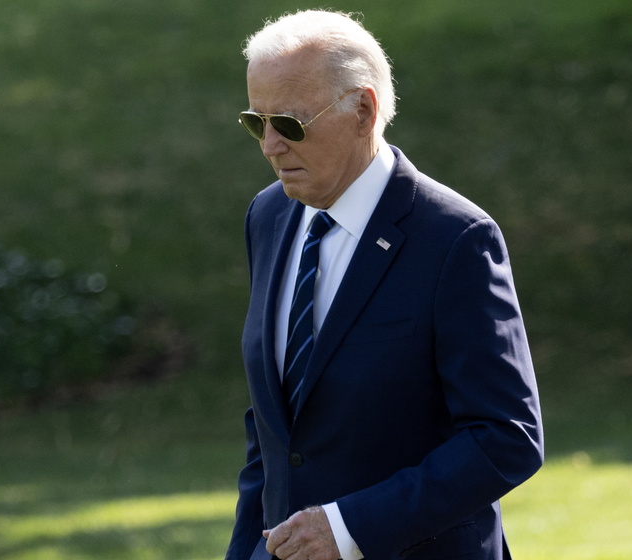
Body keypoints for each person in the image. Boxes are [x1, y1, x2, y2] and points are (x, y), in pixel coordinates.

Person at [227, 10, 543, 560]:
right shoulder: (267, 216)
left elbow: (507, 437)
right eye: (257, 122)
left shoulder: (454, 238)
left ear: (363, 111)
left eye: (290, 124)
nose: (270, 146)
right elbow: (273, 430)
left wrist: (348, 528)